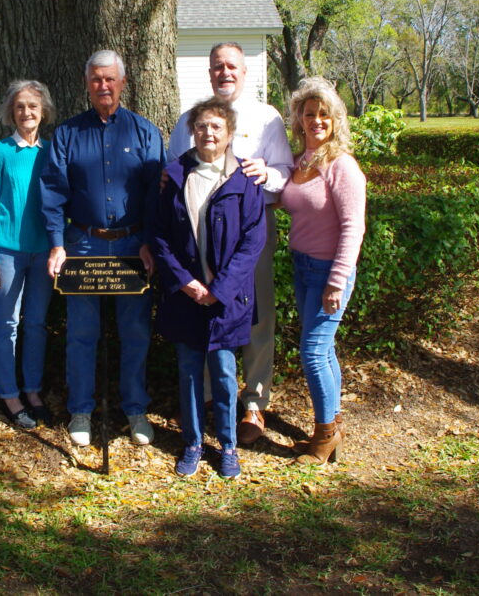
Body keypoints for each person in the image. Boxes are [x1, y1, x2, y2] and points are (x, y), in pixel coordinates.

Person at [167, 42, 292, 444]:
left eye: (232, 66)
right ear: (209, 73)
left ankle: (254, 402)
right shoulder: (189, 120)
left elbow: (286, 173)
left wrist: (267, 173)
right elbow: (173, 173)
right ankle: (206, 396)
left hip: (252, 231)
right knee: (203, 308)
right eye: (218, 66)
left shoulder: (266, 118)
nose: (225, 72)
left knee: (257, 314)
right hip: (200, 231)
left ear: (244, 71)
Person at [41, 50, 165, 447]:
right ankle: (80, 409)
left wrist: (149, 242)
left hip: (132, 245)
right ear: (87, 84)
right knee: (82, 333)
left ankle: (135, 409)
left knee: (135, 332)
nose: (103, 86)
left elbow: (156, 196)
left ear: (123, 82)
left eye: (110, 79)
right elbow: (53, 192)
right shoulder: (67, 134)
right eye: (96, 79)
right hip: (82, 244)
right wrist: (56, 244)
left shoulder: (145, 133)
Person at [152, 98, 266, 478]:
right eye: (201, 126)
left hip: (226, 299)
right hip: (186, 297)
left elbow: (253, 240)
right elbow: (160, 236)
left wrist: (221, 287)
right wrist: (185, 282)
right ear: (192, 131)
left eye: (216, 126)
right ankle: (193, 443)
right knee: (188, 372)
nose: (208, 133)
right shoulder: (174, 176)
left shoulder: (244, 180)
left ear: (230, 133)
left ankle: (228, 446)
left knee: (223, 372)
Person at [280, 76, 366, 465]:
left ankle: (325, 436)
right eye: (309, 113)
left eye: (324, 115)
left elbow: (353, 227)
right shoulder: (301, 161)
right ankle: (333, 425)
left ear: (335, 121)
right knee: (323, 349)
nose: (316, 121)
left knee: (313, 353)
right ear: (299, 119)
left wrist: (336, 281)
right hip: (303, 267)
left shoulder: (341, 166)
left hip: (330, 272)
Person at [0, 80, 57, 428]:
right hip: (7, 253)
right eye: (20, 106)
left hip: (43, 252)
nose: (27, 112)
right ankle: (9, 394)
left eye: (33, 106)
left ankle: (33, 390)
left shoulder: (51, 151)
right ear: (12, 112)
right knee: (7, 324)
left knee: (36, 324)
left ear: (44, 112)